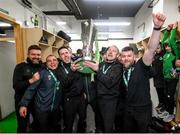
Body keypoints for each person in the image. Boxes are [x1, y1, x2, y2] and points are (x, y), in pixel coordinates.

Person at [120, 13, 166, 132]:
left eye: (129, 56)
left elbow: (150, 49)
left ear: (134, 56)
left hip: (142, 110)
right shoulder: (120, 69)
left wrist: (156, 28)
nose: (126, 58)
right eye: (123, 56)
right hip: (127, 109)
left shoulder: (141, 66)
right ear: (120, 58)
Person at [84, 45, 123, 132]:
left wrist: (98, 70)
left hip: (110, 101)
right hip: (99, 99)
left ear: (117, 55)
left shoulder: (118, 67)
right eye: (109, 50)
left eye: (114, 51)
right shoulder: (101, 64)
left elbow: (109, 82)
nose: (110, 52)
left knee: (107, 126)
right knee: (99, 124)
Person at [19, 55, 62, 132]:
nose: (52, 62)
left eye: (54, 60)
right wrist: (23, 104)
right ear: (46, 63)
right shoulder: (41, 73)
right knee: (43, 129)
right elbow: (31, 89)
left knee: (53, 128)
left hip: (55, 109)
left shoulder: (60, 73)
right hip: (42, 109)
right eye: (49, 61)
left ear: (58, 62)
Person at [13, 45, 43, 132]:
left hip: (37, 102)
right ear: (28, 54)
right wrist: (32, 80)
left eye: (38, 55)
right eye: (33, 54)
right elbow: (16, 86)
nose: (36, 57)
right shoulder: (20, 67)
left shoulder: (42, 66)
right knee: (22, 125)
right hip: (22, 101)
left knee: (38, 124)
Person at [57, 46, 86, 133]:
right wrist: (72, 71)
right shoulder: (59, 69)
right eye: (62, 54)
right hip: (69, 99)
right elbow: (65, 84)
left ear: (70, 53)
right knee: (68, 122)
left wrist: (83, 91)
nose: (65, 55)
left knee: (82, 120)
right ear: (60, 57)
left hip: (81, 98)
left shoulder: (77, 64)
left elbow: (82, 79)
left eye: (66, 52)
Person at [158, 22, 179, 122]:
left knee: (170, 96)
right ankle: (167, 110)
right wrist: (168, 30)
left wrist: (174, 29)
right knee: (166, 95)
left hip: (173, 79)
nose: (167, 47)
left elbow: (171, 41)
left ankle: (171, 114)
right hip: (166, 78)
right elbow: (162, 42)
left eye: (168, 46)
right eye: (166, 46)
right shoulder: (166, 53)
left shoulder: (176, 53)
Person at [151, 44, 166, 113]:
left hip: (162, 77)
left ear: (161, 48)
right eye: (156, 48)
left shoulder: (164, 55)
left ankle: (164, 105)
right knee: (159, 92)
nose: (157, 49)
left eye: (158, 48)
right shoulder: (155, 56)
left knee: (163, 93)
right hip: (156, 77)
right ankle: (160, 103)